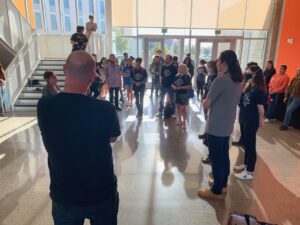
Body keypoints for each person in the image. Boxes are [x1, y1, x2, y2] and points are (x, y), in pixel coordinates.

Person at [37, 51, 121, 225]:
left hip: (64, 193)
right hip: (101, 192)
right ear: (92, 76)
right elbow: (112, 138)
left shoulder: (45, 106)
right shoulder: (105, 109)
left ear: (64, 70)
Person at [197, 50, 243, 200]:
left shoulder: (221, 80)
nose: (216, 62)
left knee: (217, 159)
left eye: (218, 60)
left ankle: (216, 191)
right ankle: (221, 183)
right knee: (223, 156)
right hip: (227, 124)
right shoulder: (238, 79)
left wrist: (203, 102)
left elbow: (206, 104)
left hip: (216, 125)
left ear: (224, 63)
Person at [234, 65, 266, 180]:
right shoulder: (250, 86)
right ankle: (246, 165)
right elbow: (241, 100)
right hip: (244, 117)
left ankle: (249, 172)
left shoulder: (258, 90)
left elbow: (261, 109)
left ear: (254, 74)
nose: (246, 73)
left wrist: (261, 120)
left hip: (251, 120)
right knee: (246, 144)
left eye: (249, 71)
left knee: (250, 145)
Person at [232, 61, 258, 147]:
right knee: (241, 122)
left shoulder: (254, 81)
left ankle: (245, 142)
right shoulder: (247, 77)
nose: (246, 69)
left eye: (248, 68)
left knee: (245, 125)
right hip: (243, 102)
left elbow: (247, 90)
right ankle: (242, 140)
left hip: (248, 106)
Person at [198, 60, 218, 164]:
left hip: (211, 101)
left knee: (210, 119)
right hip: (207, 98)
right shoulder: (210, 76)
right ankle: (206, 132)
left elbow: (213, 91)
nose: (207, 68)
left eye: (209, 66)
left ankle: (211, 156)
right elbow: (207, 87)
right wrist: (204, 96)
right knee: (206, 117)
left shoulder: (217, 78)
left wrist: (207, 99)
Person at [171, 64, 192, 130]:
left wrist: (181, 87)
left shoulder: (187, 76)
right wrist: (174, 87)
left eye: (179, 68)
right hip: (177, 94)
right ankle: (179, 120)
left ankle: (184, 123)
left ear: (183, 69)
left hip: (184, 94)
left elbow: (190, 86)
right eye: (178, 68)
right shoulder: (177, 76)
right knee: (177, 108)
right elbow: (172, 84)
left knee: (183, 109)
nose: (178, 69)